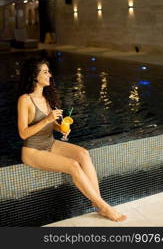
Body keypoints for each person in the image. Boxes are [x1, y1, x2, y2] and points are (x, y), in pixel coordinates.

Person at [17, 57, 127, 222]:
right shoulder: (25, 100)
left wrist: (61, 127)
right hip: (33, 150)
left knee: (83, 153)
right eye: (45, 72)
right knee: (73, 165)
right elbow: (23, 133)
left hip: (50, 143)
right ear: (34, 75)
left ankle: (98, 203)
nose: (49, 75)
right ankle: (104, 206)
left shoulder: (46, 98)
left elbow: (51, 124)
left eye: (49, 71)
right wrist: (47, 119)